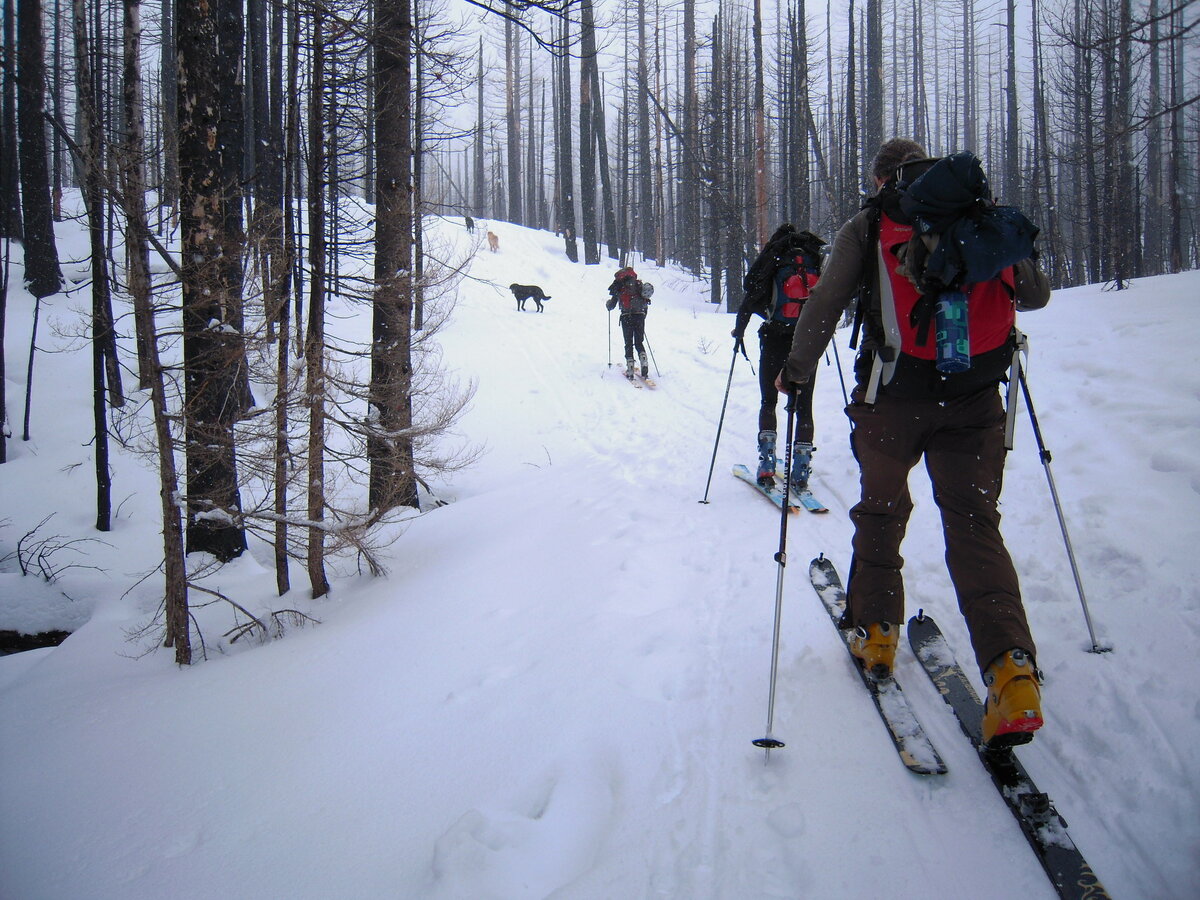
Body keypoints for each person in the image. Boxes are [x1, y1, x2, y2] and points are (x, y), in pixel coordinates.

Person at [775, 138, 1052, 749]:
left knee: (882, 509)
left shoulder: (871, 223)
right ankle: (1012, 673)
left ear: (881, 179)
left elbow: (826, 302)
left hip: (894, 397)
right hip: (977, 396)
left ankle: (876, 632)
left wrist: (797, 370)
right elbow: (1034, 294)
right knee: (975, 524)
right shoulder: (980, 211)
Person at [732, 224, 825, 489]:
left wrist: (738, 332)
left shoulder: (774, 257)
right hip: (807, 338)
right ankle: (801, 471)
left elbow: (750, 295)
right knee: (804, 404)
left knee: (768, 400)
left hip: (774, 337)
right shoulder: (813, 259)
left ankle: (767, 464)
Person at [606, 267, 652, 378]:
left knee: (628, 342)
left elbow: (611, 305)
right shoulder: (638, 285)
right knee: (639, 342)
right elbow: (645, 300)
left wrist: (608, 304)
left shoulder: (620, 286)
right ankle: (644, 361)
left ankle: (630, 367)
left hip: (626, 316)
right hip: (639, 315)